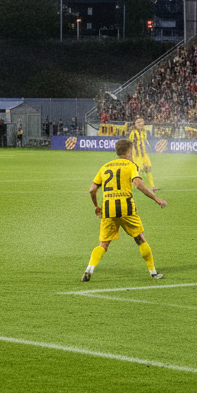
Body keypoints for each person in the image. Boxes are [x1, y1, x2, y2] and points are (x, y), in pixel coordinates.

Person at [83, 138, 168, 282]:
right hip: (125, 207)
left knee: (103, 244)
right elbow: (138, 184)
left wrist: (96, 206)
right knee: (140, 238)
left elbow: (92, 189)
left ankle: (89, 269)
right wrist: (156, 198)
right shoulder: (130, 165)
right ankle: (153, 272)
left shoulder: (105, 167)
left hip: (108, 209)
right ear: (129, 151)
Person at [128, 116, 157, 190]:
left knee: (148, 168)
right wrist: (130, 155)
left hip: (144, 154)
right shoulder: (133, 132)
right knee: (139, 170)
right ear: (135, 124)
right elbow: (129, 143)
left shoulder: (144, 132)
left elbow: (145, 142)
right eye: (138, 122)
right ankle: (134, 184)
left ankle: (152, 186)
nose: (140, 124)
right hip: (136, 155)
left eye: (141, 122)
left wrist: (148, 149)